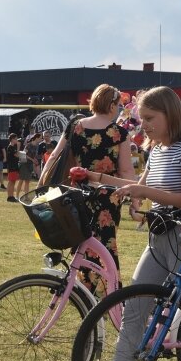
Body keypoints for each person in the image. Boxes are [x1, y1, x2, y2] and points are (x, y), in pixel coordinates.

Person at [68, 86, 181, 361]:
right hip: (159, 241)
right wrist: (95, 176)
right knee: (133, 311)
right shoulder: (156, 151)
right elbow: (135, 186)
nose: (144, 125)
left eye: (150, 118)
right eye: (141, 118)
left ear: (170, 114)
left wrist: (142, 191)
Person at [43, 83, 135, 293]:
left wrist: (43, 184)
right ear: (112, 105)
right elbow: (127, 171)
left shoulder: (76, 126)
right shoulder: (119, 133)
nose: (119, 109)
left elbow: (54, 158)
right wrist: (135, 199)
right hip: (107, 196)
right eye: (119, 105)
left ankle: (81, 287)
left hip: (77, 193)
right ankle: (107, 290)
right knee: (105, 245)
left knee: (81, 243)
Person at [5, 133, 21, 202]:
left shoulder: (12, 147)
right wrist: (18, 146)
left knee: (13, 182)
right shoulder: (10, 147)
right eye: (15, 139)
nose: (16, 140)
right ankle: (10, 196)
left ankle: (11, 196)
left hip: (14, 166)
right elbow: (17, 155)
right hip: (12, 167)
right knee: (11, 182)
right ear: (12, 139)